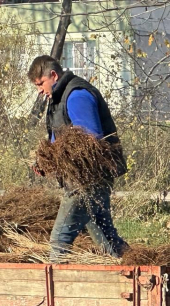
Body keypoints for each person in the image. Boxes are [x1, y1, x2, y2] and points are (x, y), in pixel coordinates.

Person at [28, 55, 129, 262]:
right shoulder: (59, 98)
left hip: (88, 182)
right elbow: (61, 140)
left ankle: (55, 281)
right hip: (85, 180)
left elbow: (90, 141)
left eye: (40, 83)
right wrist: (47, 161)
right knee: (106, 237)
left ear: (53, 75)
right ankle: (135, 265)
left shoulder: (77, 95)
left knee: (60, 238)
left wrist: (56, 156)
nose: (39, 90)